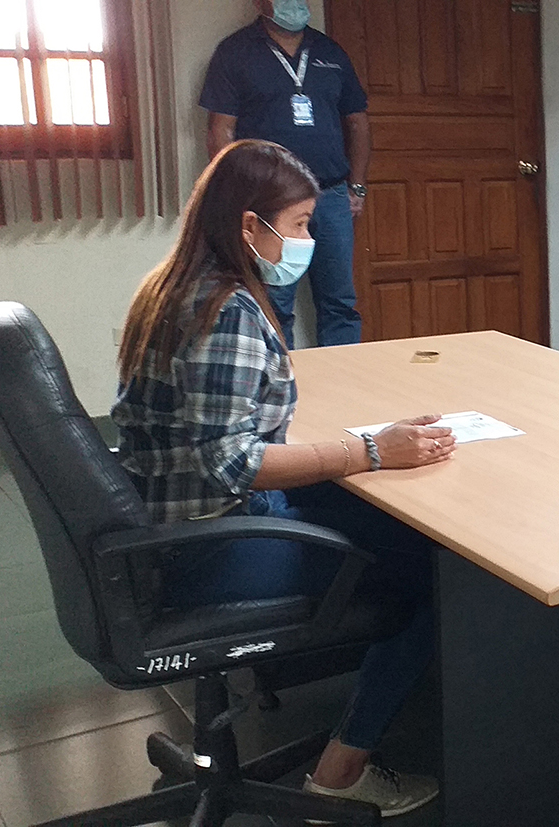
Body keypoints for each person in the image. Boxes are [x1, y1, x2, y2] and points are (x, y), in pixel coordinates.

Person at [112, 140, 451, 816]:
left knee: (380, 519)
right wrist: (369, 450)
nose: (306, 240)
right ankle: (343, 768)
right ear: (249, 225)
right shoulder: (225, 309)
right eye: (298, 224)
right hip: (205, 547)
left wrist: (368, 448)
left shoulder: (173, 284)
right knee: (431, 570)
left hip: (171, 529)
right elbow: (234, 460)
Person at [200, 0, 370, 347]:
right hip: (270, 202)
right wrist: (236, 197)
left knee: (340, 303)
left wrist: (357, 187)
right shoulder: (235, 52)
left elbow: (358, 122)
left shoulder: (331, 52)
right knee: (273, 303)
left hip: (332, 196)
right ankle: (278, 376)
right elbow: (220, 131)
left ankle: (345, 376)